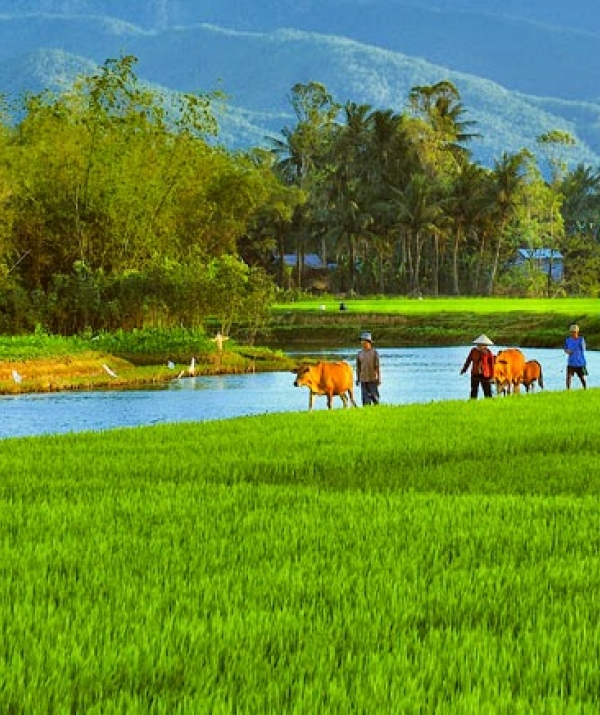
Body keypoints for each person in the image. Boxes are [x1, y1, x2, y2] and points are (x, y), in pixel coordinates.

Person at [460, 334, 496, 399]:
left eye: (485, 345)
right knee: (474, 390)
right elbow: (468, 360)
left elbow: (492, 365)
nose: (484, 346)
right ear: (478, 344)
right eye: (482, 345)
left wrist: (492, 377)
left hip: (485, 375)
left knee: (487, 391)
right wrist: (464, 369)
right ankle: (473, 402)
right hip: (475, 374)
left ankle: (489, 403)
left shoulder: (488, 353)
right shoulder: (473, 351)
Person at [356, 331, 380, 405]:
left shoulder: (374, 353)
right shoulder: (359, 354)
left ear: (368, 342)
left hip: (372, 378)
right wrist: (358, 379)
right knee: (365, 399)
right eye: (361, 340)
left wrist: (379, 379)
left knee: (375, 397)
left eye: (363, 340)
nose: (362, 342)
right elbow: (358, 368)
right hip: (363, 379)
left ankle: (377, 410)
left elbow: (377, 367)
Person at [564, 324, 587, 389]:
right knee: (568, 377)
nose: (573, 333)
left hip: (580, 363)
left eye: (574, 332)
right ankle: (568, 391)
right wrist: (567, 351)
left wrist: (581, 343)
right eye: (571, 332)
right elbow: (565, 349)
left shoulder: (581, 339)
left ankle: (585, 389)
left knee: (581, 377)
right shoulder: (568, 340)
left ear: (577, 332)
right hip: (571, 362)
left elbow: (584, 349)